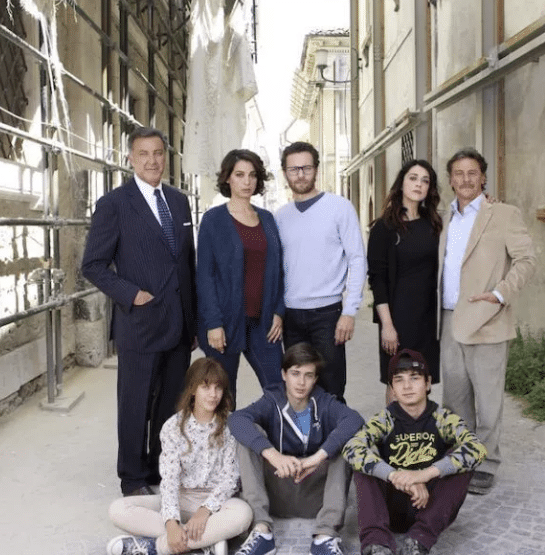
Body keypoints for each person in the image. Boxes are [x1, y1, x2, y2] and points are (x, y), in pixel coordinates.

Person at [81, 127, 197, 496]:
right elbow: (93, 265)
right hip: (140, 323)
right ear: (131, 158)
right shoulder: (114, 204)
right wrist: (132, 295)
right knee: (136, 402)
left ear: (166, 157)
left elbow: (187, 263)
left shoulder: (178, 201)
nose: (152, 160)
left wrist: (193, 321)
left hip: (179, 324)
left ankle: (160, 469)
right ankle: (132, 478)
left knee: (170, 404)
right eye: (143, 153)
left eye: (158, 153)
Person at [438, 147, 536, 494]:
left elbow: (526, 260)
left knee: (488, 401)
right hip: (448, 320)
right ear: (451, 180)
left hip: (488, 319)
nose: (465, 179)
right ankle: (463, 457)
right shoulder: (444, 219)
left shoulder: (504, 214)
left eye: (472, 173)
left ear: (483, 177)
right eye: (459, 173)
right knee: (455, 399)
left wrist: (499, 294)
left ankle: (487, 463)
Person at [342, 349, 486, 555]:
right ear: (392, 389)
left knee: (463, 462)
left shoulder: (442, 418)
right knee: (363, 464)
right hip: (390, 506)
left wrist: (423, 475)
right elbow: (351, 448)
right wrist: (395, 476)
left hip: (429, 505)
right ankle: (376, 544)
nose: (407, 386)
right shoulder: (385, 419)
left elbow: (478, 449)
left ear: (428, 383)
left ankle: (418, 541)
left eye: (415, 378)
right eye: (399, 380)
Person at [228, 343, 364, 555]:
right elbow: (236, 419)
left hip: (315, 496)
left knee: (346, 441)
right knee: (249, 436)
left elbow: (354, 420)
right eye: (295, 373)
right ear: (284, 375)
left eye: (308, 375)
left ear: (315, 379)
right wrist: (273, 455)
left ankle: (325, 536)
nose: (301, 382)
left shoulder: (324, 402)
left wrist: (317, 458)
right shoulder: (272, 400)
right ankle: (262, 532)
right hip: (277, 490)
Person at [107, 358, 252, 555]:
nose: (213, 394)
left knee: (243, 514)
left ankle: (157, 547)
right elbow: (169, 480)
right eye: (205, 387)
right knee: (118, 509)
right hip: (182, 498)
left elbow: (231, 478)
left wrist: (204, 511)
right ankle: (206, 540)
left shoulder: (231, 424)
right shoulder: (173, 427)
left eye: (218, 388)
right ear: (192, 389)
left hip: (217, 503)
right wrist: (171, 523)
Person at [275, 142, 366, 402]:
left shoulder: (339, 208)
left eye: (306, 168)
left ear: (316, 169)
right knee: (298, 390)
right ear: (285, 173)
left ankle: (334, 431)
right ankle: (305, 430)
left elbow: (357, 259)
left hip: (328, 314)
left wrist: (349, 311)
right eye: (294, 169)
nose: (300, 175)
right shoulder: (279, 217)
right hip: (291, 316)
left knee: (332, 388)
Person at [197, 149, 284, 398]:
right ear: (228, 178)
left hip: (263, 322)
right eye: (239, 175)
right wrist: (213, 323)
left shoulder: (267, 219)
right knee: (223, 397)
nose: (247, 182)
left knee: (279, 388)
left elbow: (278, 269)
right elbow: (205, 276)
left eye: (252, 175)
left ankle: (273, 427)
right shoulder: (213, 220)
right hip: (225, 322)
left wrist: (279, 311)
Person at [367, 159, 443, 402]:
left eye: (425, 180)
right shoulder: (384, 228)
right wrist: (387, 325)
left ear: (430, 188)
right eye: (413, 178)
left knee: (422, 380)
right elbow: (377, 281)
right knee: (398, 379)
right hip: (398, 317)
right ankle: (394, 426)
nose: (419, 184)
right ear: (401, 183)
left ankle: (418, 425)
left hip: (428, 318)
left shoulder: (435, 224)